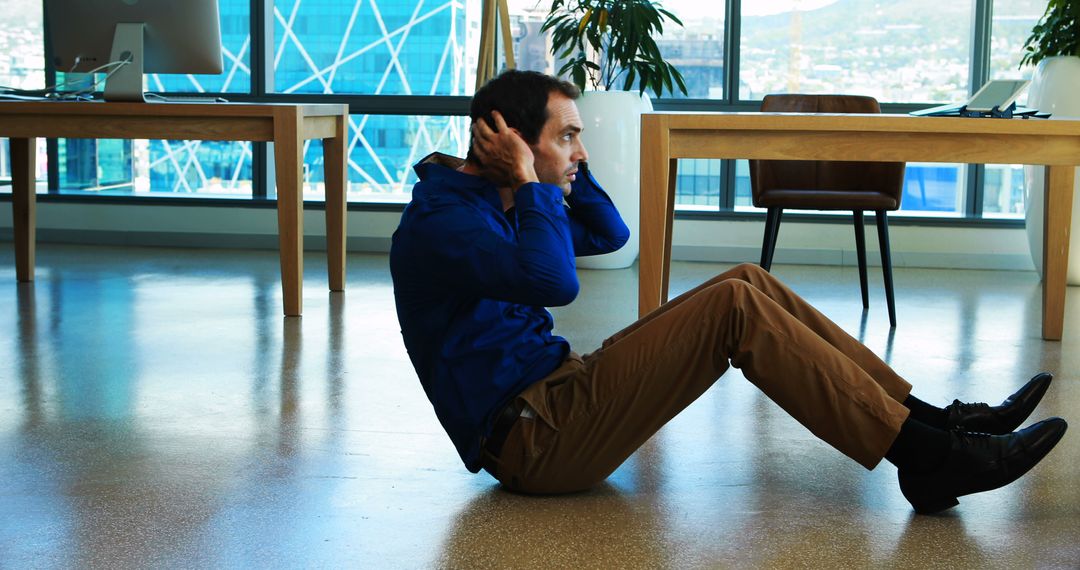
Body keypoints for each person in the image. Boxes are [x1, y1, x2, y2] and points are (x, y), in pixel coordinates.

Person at [389, 70, 1068, 515]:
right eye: (568, 136)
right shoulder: (443, 222)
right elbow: (556, 282)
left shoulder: (499, 202)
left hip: (560, 395)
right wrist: (539, 180)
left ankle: (927, 423)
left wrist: (553, 170)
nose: (581, 151)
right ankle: (927, 458)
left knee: (745, 278)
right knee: (733, 310)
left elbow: (609, 233)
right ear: (507, 137)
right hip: (534, 442)